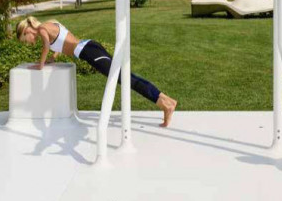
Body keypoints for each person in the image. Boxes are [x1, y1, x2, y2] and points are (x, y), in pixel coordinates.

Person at [15, 17, 178, 127]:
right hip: (89, 47)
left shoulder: (42, 29)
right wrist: (53, 58)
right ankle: (167, 101)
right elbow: (60, 42)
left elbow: (46, 46)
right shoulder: (50, 23)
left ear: (26, 30)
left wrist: (41, 65)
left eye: (25, 39)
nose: (28, 43)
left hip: (88, 52)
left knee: (123, 78)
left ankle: (164, 104)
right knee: (125, 76)